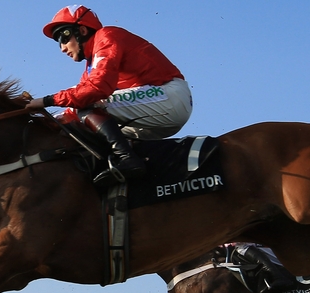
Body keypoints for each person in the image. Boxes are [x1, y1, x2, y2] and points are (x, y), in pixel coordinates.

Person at [26, 5, 193, 186]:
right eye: (57, 41)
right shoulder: (91, 65)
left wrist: (46, 101)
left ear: (82, 30)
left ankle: (128, 159)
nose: (62, 47)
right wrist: (42, 121)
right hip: (156, 110)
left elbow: (96, 89)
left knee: (88, 105)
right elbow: (74, 106)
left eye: (63, 36)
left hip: (169, 96)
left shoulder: (107, 36)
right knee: (78, 127)